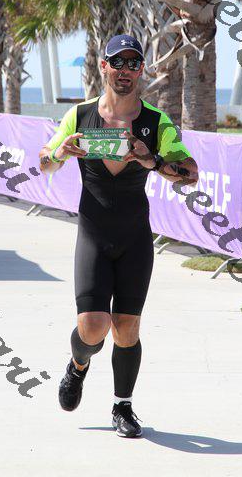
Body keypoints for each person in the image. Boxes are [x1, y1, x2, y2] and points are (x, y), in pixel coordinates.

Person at [39, 34, 198, 438]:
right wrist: (60, 153)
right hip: (93, 234)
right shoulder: (80, 115)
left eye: (133, 63)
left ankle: (123, 407)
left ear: (141, 70)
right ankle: (78, 366)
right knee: (93, 326)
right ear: (104, 66)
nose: (125, 71)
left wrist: (152, 159)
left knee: (126, 328)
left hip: (134, 238)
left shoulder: (155, 122)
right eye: (118, 62)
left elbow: (190, 173)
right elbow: (43, 162)